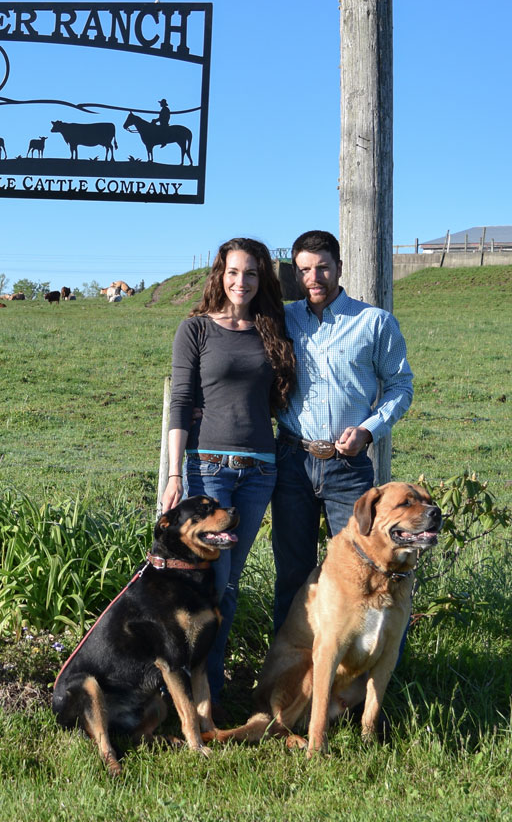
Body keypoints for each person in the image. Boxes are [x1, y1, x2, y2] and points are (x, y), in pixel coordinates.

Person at [161, 237, 295, 712]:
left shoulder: (271, 328)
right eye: (234, 272)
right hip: (208, 470)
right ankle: (203, 698)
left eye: (252, 274)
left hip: (260, 471)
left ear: (263, 281)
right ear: (219, 274)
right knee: (210, 584)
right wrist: (174, 474)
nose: (242, 282)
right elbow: (179, 401)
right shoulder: (195, 329)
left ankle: (207, 692)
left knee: (228, 586)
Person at [271, 230, 414, 634]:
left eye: (321, 268)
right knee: (292, 574)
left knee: (364, 569)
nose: (313, 278)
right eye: (303, 270)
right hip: (293, 460)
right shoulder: (284, 320)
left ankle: (363, 678)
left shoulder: (374, 322)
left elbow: (401, 386)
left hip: (348, 467)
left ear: (338, 267)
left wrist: (369, 432)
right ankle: (290, 678)